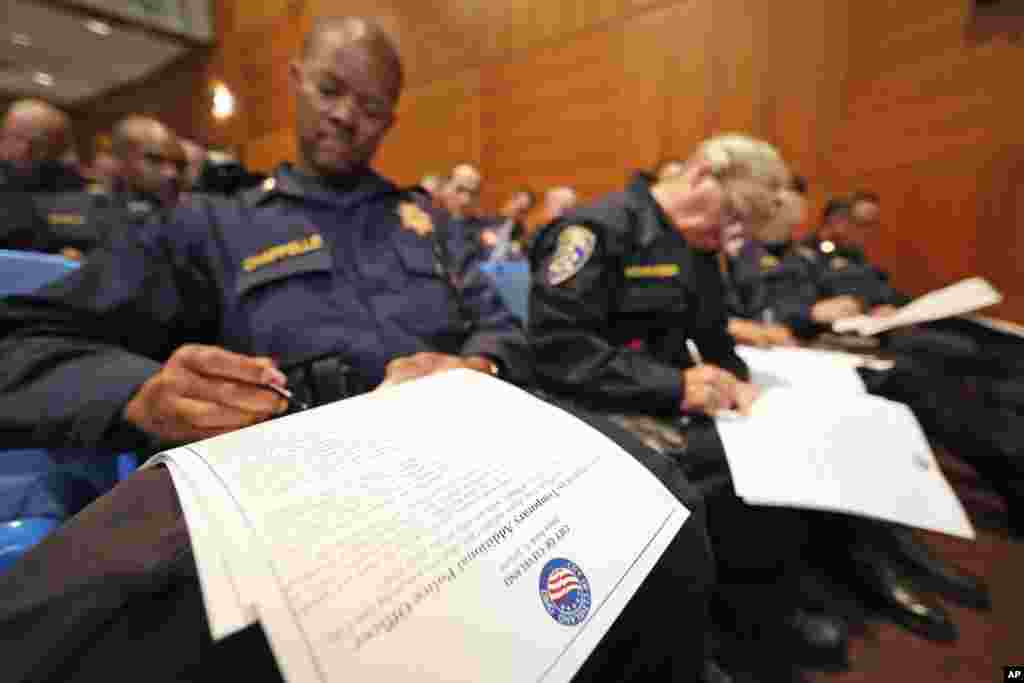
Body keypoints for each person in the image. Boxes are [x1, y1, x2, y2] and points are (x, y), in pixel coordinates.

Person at [0, 17, 714, 683]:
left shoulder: (428, 223)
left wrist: (475, 365)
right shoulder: (211, 226)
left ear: (391, 120)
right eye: (330, 90)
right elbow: (27, 337)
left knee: (663, 507)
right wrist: (140, 389)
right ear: (294, 79)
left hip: (469, 463)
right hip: (302, 496)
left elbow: (504, 327)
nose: (345, 116)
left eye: (370, 107)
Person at [11, 115, 186, 260]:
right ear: (119, 159)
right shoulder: (55, 210)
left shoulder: (185, 219)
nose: (172, 173)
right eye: (155, 160)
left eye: (177, 164)